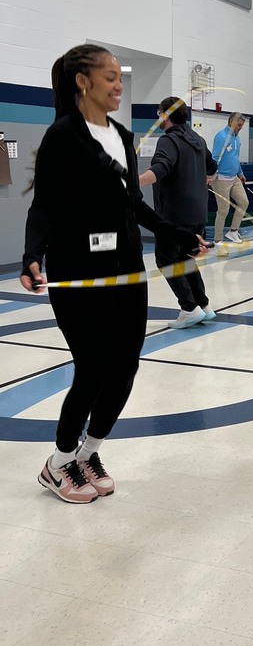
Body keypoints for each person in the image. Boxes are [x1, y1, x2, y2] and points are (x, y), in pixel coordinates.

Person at [20, 44, 205, 504]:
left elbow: (132, 205)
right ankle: (58, 463)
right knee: (92, 368)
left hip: (125, 270)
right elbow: (44, 205)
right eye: (109, 77)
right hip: (79, 271)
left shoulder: (123, 136)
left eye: (119, 77)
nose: (119, 84)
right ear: (82, 82)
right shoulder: (62, 137)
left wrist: (175, 234)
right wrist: (32, 254)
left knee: (125, 367)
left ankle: (90, 452)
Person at [139, 97, 218, 328]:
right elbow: (212, 168)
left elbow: (161, 169)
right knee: (185, 258)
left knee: (166, 259)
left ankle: (188, 306)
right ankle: (202, 305)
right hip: (198, 213)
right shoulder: (198, 140)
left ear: (166, 115)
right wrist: (204, 181)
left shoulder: (167, 141)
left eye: (160, 112)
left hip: (174, 215)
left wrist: (133, 183)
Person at [211, 112, 248, 245]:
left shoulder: (237, 139)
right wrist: (211, 175)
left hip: (234, 178)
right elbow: (215, 157)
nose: (240, 128)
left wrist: (240, 173)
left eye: (242, 126)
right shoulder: (221, 137)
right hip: (221, 178)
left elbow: (235, 158)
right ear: (231, 121)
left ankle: (233, 231)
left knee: (243, 202)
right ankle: (218, 239)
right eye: (239, 125)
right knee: (223, 209)